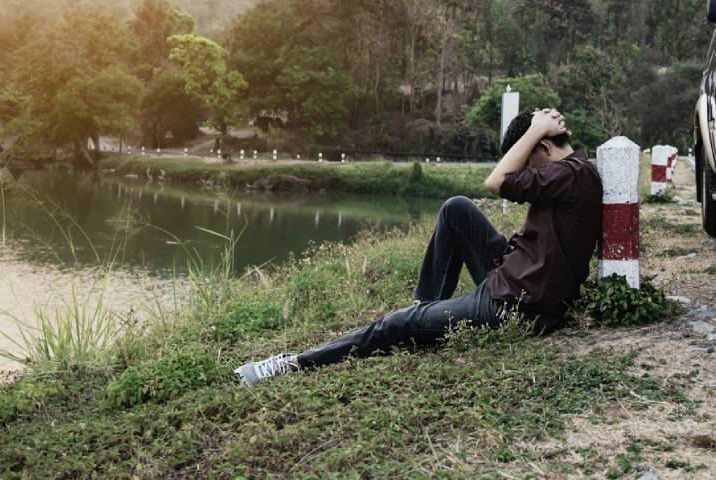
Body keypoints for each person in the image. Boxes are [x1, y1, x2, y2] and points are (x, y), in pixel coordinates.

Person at [234, 107, 603, 388]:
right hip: (514, 275)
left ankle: (288, 364)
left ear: (542, 145)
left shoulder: (569, 174)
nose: (529, 171)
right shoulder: (573, 173)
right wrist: (536, 133)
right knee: (457, 208)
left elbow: (497, 180)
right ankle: (424, 310)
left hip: (512, 304)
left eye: (530, 159)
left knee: (391, 325)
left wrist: (536, 127)